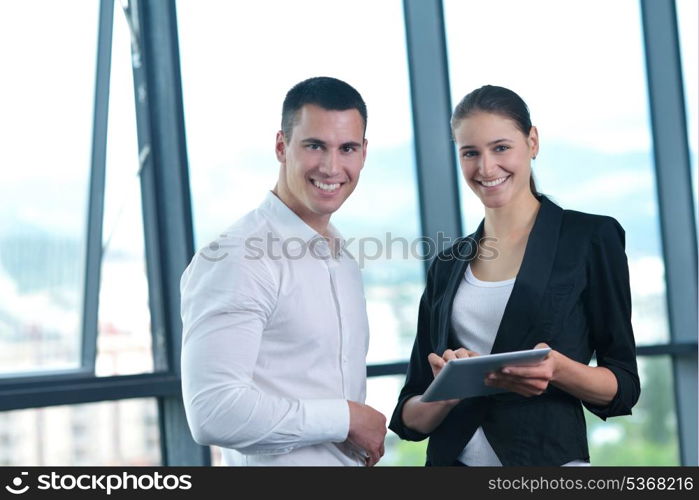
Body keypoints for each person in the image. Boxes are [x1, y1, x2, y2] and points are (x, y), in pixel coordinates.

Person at [389, 85, 640, 466]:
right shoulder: (447, 264)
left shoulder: (589, 239)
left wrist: (557, 369)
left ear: (532, 141)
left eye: (501, 147)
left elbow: (623, 386)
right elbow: (409, 416)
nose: (486, 168)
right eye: (470, 152)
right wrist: (450, 388)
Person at [180, 76, 387, 466]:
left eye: (347, 148)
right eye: (314, 146)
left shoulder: (341, 258)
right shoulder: (236, 257)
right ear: (281, 146)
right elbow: (213, 412)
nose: (332, 166)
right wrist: (345, 418)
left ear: (363, 153)